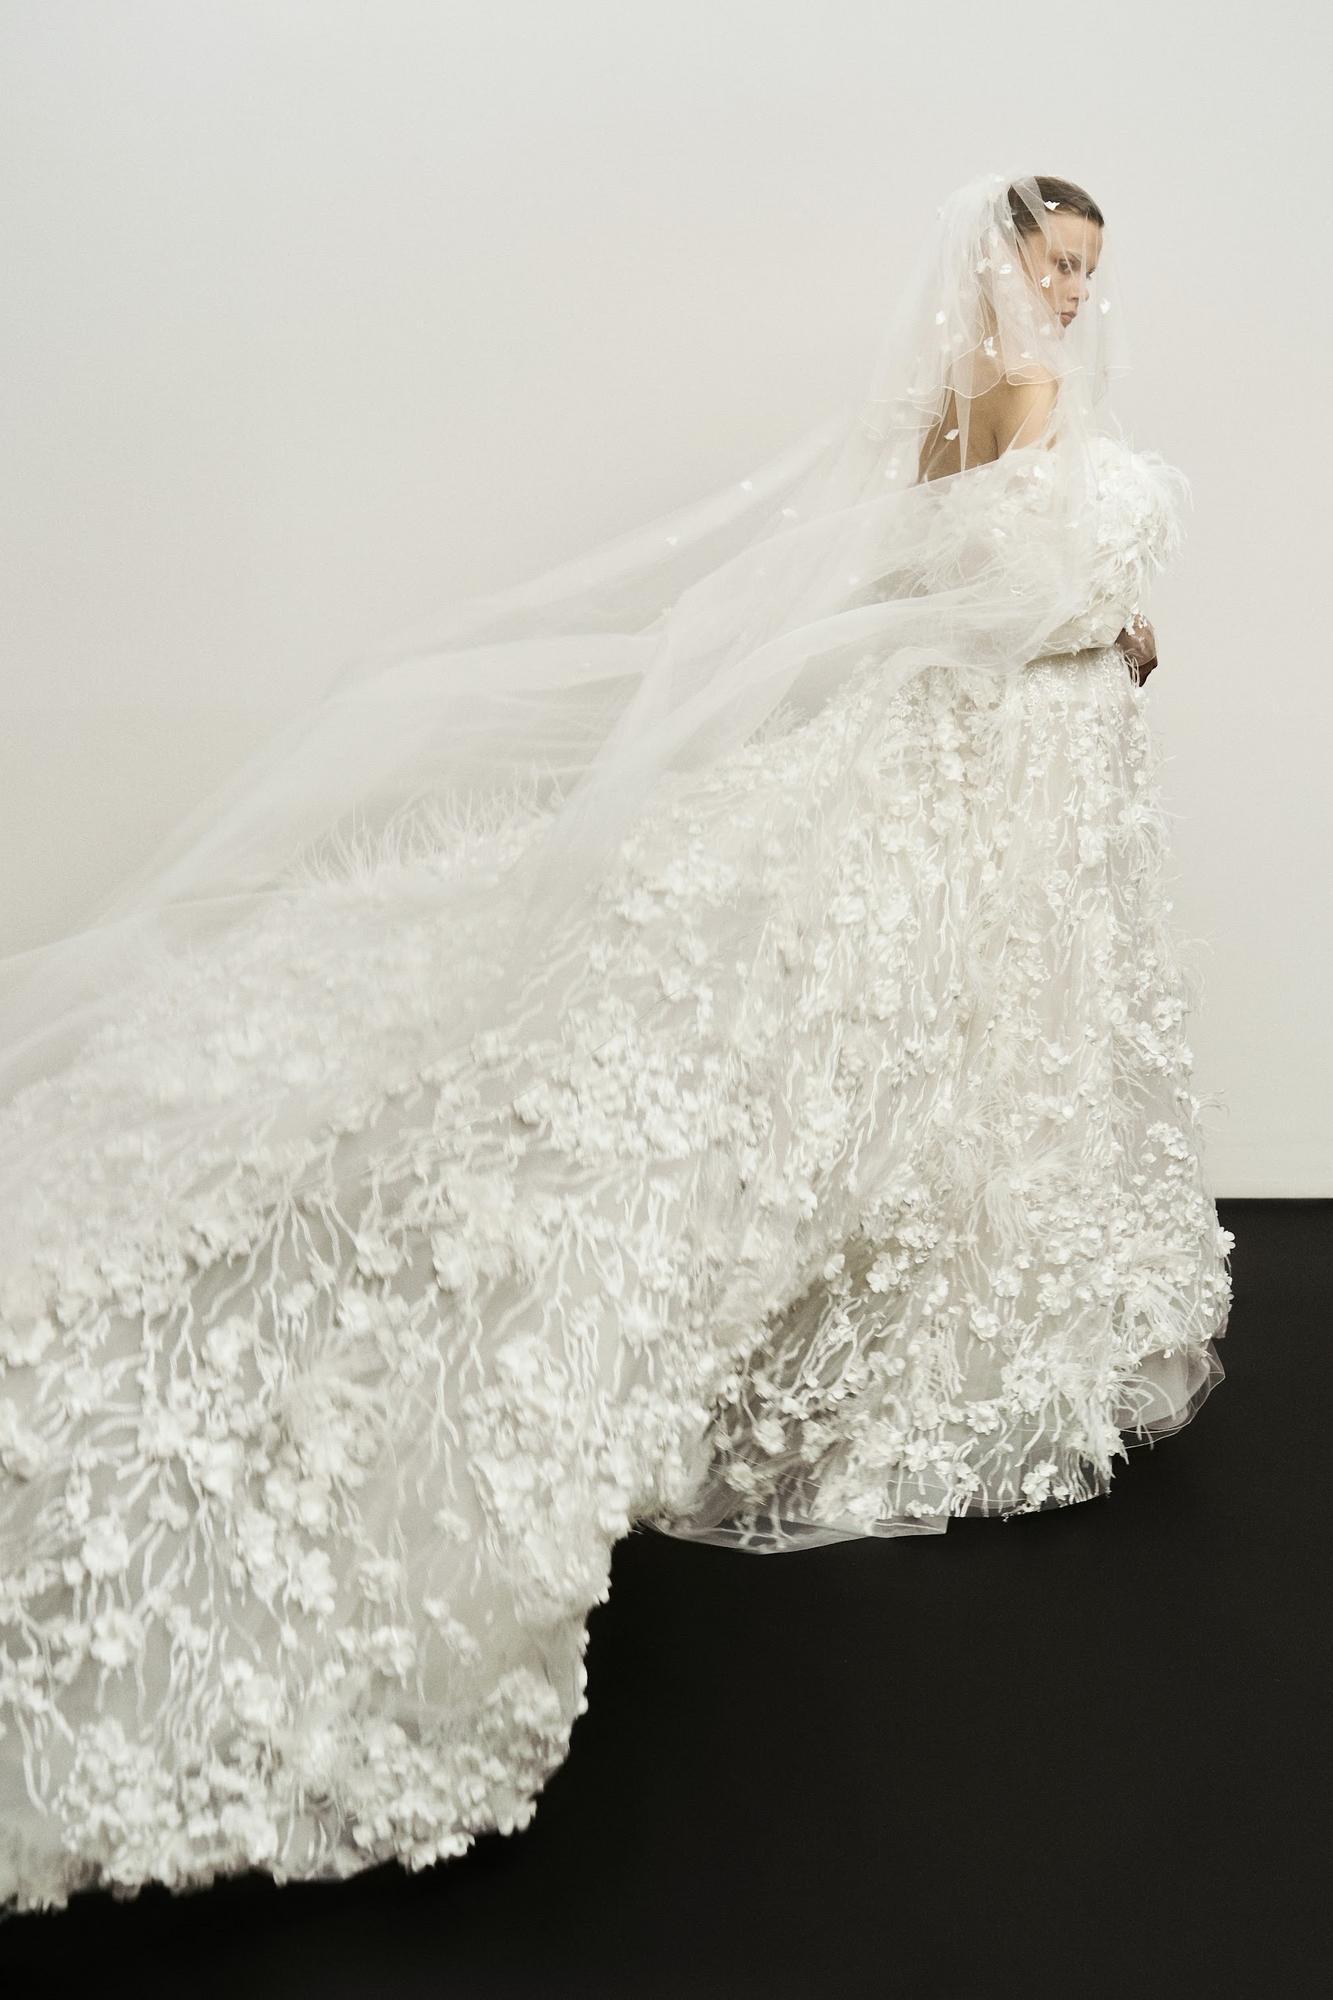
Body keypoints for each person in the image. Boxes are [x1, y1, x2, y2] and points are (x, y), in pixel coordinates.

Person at [0, 168, 1231, 1914]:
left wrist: (1078, 622)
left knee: (945, 1027)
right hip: (1015, 747)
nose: (1077, 291)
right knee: (933, 1026)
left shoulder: (965, 397)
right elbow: (995, 600)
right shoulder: (1023, 392)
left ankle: (924, 1291)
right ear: (1001, 260)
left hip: (1002, 759)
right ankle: (939, 1323)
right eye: (1059, 261)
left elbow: (928, 565)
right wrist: (1110, 625)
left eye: (1093, 268)